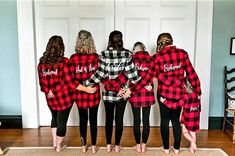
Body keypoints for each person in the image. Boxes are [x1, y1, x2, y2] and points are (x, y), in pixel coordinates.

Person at [121, 33, 201, 154]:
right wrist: (198, 91)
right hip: (180, 94)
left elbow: (146, 79)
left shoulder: (157, 57)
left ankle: (166, 148)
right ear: (171, 41)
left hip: (164, 95)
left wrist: (131, 89)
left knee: (164, 120)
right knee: (175, 121)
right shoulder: (182, 53)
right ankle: (177, 149)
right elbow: (191, 74)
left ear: (159, 43)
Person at [84, 30, 141, 153]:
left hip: (108, 94)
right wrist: (128, 89)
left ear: (110, 41)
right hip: (122, 93)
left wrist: (87, 83)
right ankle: (117, 147)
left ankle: (108, 146)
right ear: (121, 40)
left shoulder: (104, 55)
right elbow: (134, 77)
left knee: (108, 119)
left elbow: (100, 74)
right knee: (119, 120)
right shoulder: (127, 55)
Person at [104, 42, 155, 152]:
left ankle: (137, 146)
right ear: (144, 49)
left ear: (134, 50)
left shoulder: (131, 59)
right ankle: (144, 145)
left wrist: (114, 87)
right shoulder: (151, 60)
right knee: (146, 121)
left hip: (133, 94)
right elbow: (148, 79)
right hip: (147, 95)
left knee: (137, 121)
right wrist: (146, 85)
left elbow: (123, 76)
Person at [38, 35, 74, 152]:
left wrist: (48, 91)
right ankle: (59, 146)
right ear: (61, 47)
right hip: (64, 98)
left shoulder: (42, 62)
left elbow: (41, 81)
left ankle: (54, 142)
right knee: (62, 122)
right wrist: (54, 90)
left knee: (54, 118)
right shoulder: (65, 62)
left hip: (50, 98)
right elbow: (66, 81)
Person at [69, 30, 99, 153]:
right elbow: (100, 76)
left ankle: (83, 146)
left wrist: (83, 88)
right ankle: (93, 147)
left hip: (80, 95)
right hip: (93, 93)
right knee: (93, 120)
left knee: (82, 120)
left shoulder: (73, 58)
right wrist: (88, 88)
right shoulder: (96, 57)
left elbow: (71, 81)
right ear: (91, 41)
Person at [160, 79, 201, 153]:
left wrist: (164, 101)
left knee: (185, 132)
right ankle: (188, 148)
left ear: (185, 86)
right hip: (196, 118)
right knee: (192, 133)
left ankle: (193, 143)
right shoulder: (198, 95)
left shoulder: (185, 97)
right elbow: (199, 107)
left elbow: (175, 105)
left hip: (188, 119)